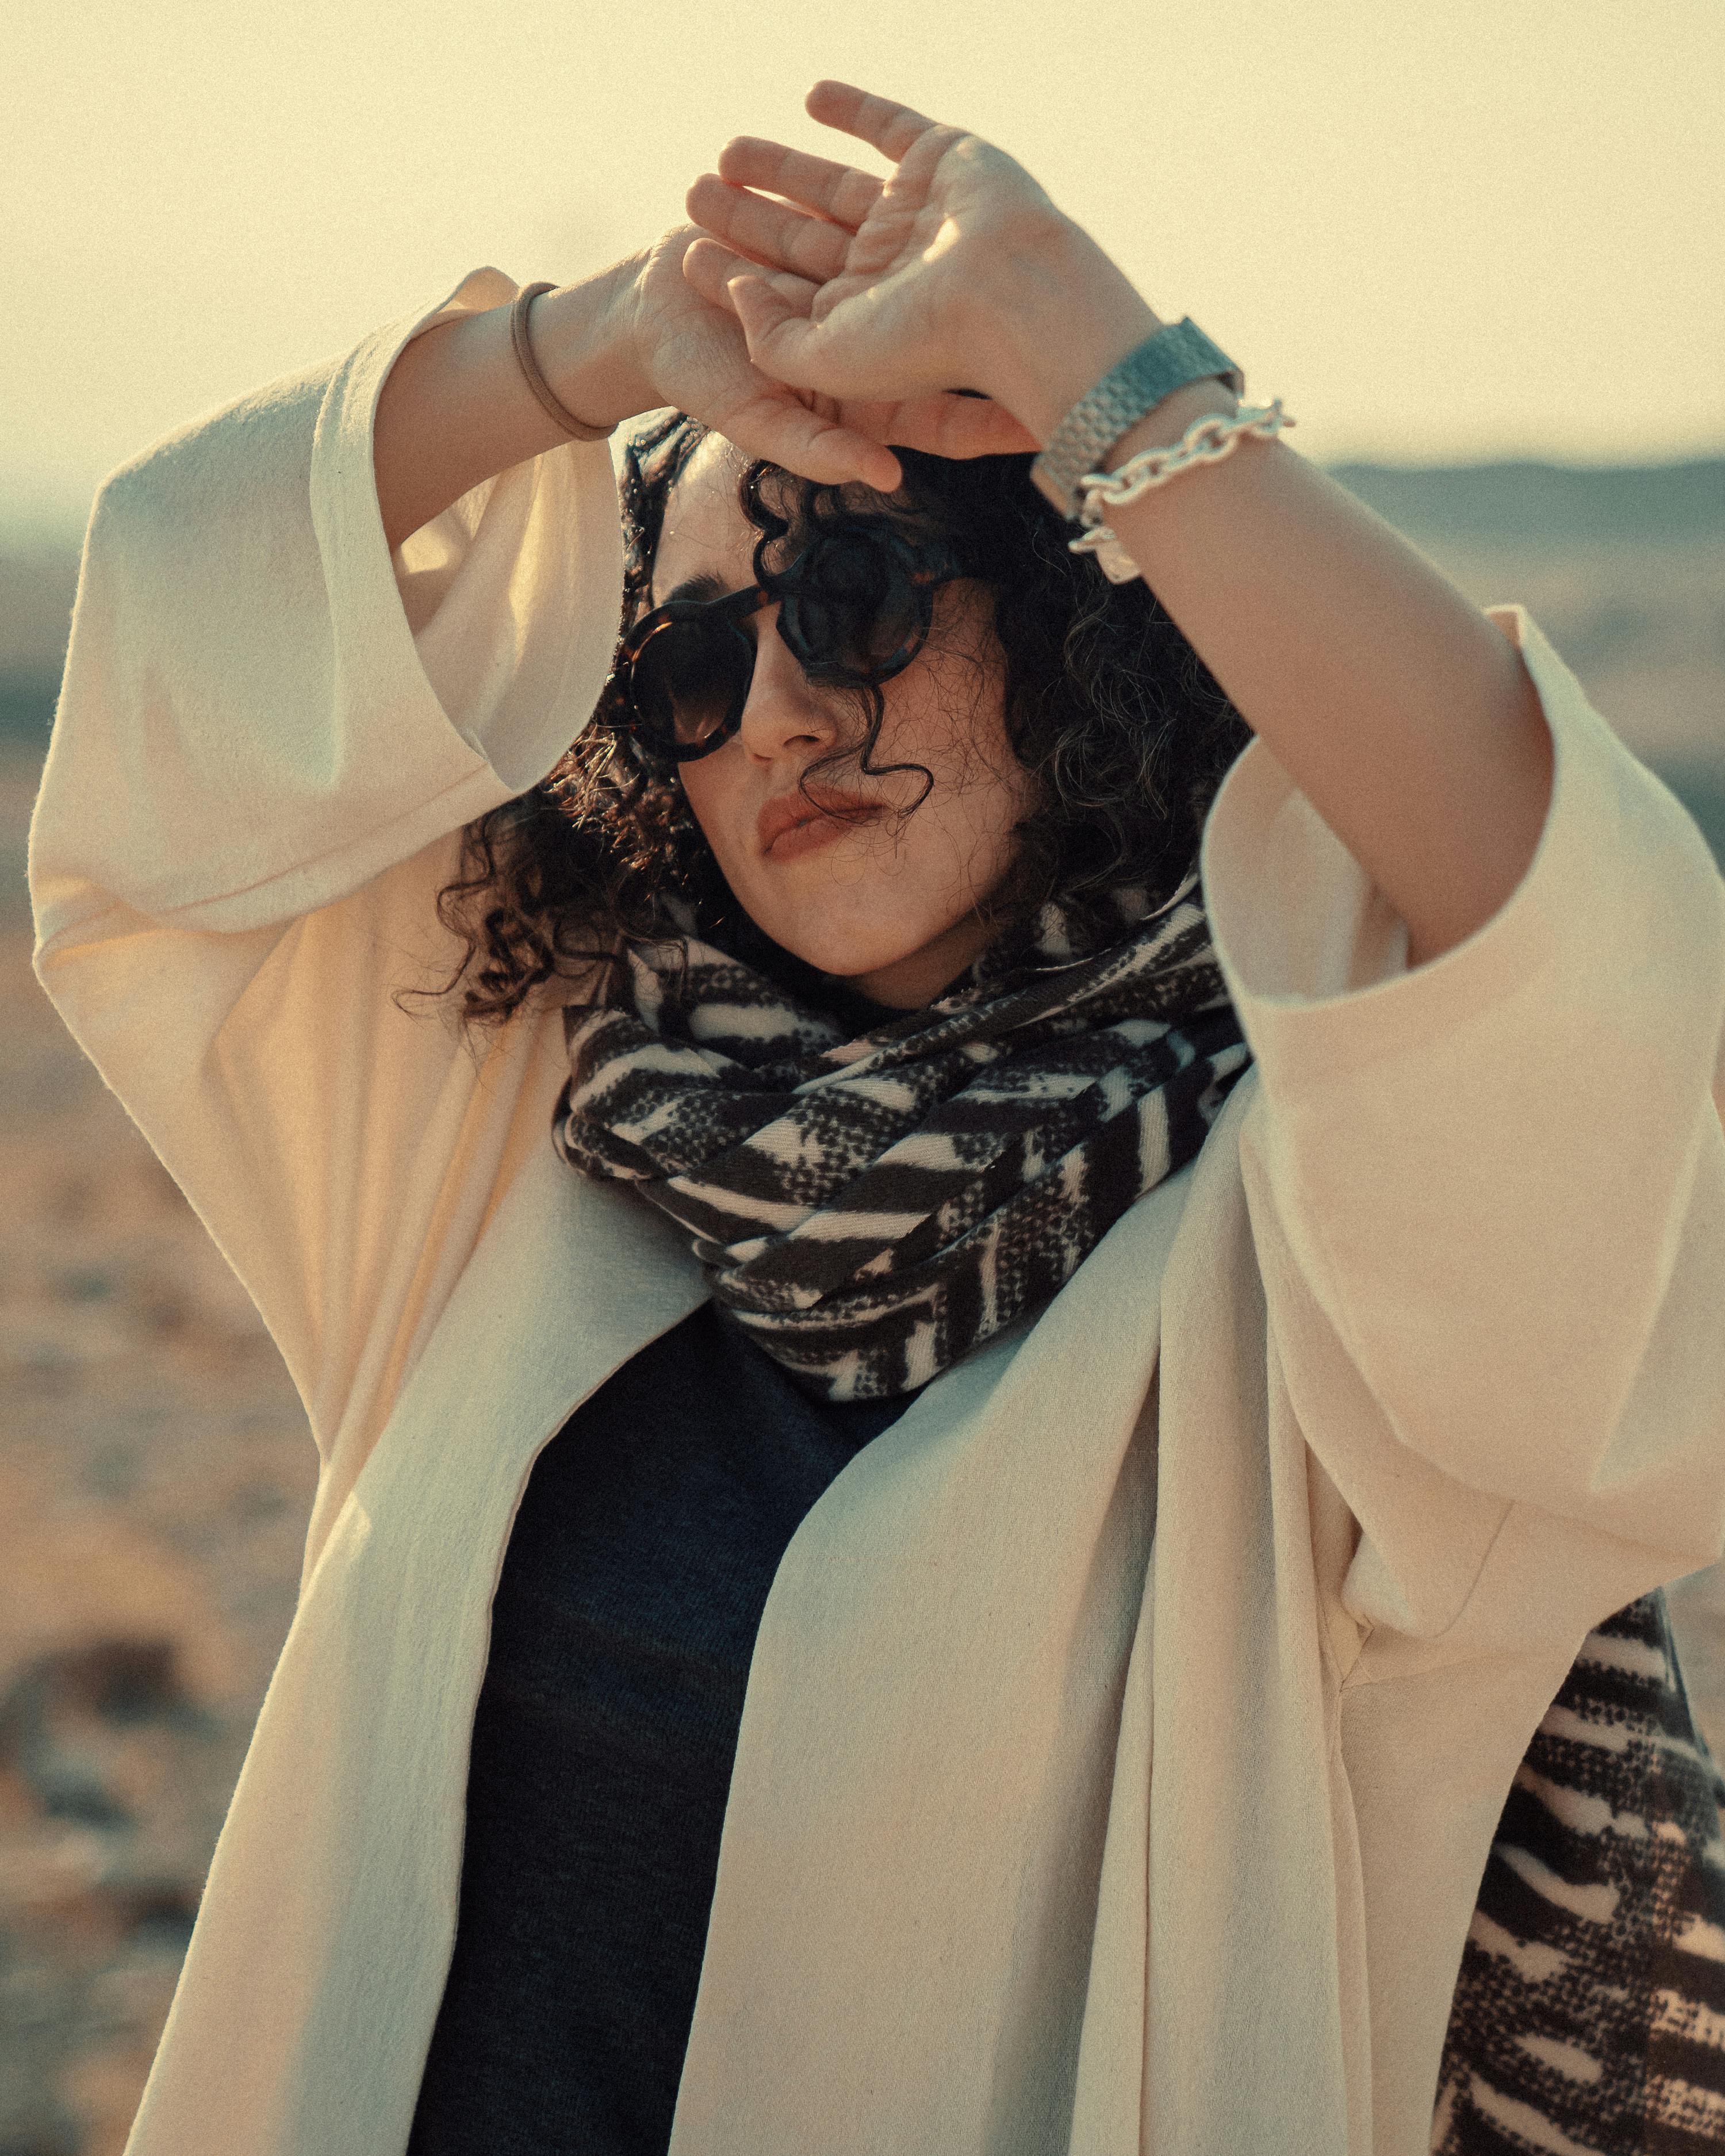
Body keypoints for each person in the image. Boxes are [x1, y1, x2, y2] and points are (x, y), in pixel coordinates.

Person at [27, 76, 1725, 2156]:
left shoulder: (1315, 1288)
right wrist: (607, 345)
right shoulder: (515, 1156)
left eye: (854, 599)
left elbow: (1582, 954)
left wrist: (1093, 359)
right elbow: (175, 651)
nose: (778, 717)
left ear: (1080, 611)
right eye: (694, 663)